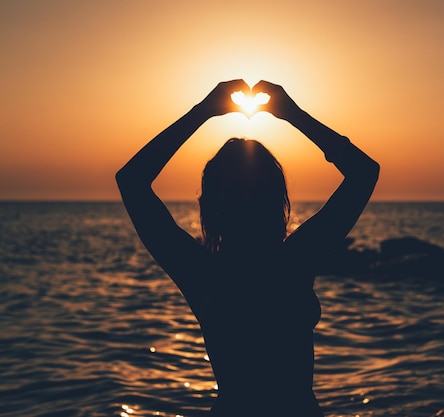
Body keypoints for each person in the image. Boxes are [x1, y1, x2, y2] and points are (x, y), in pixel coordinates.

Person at [116, 79, 379, 416]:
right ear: (276, 200)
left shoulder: (202, 273)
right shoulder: (295, 260)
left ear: (211, 205)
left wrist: (203, 112)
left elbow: (132, 181)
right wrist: (294, 115)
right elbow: (363, 173)